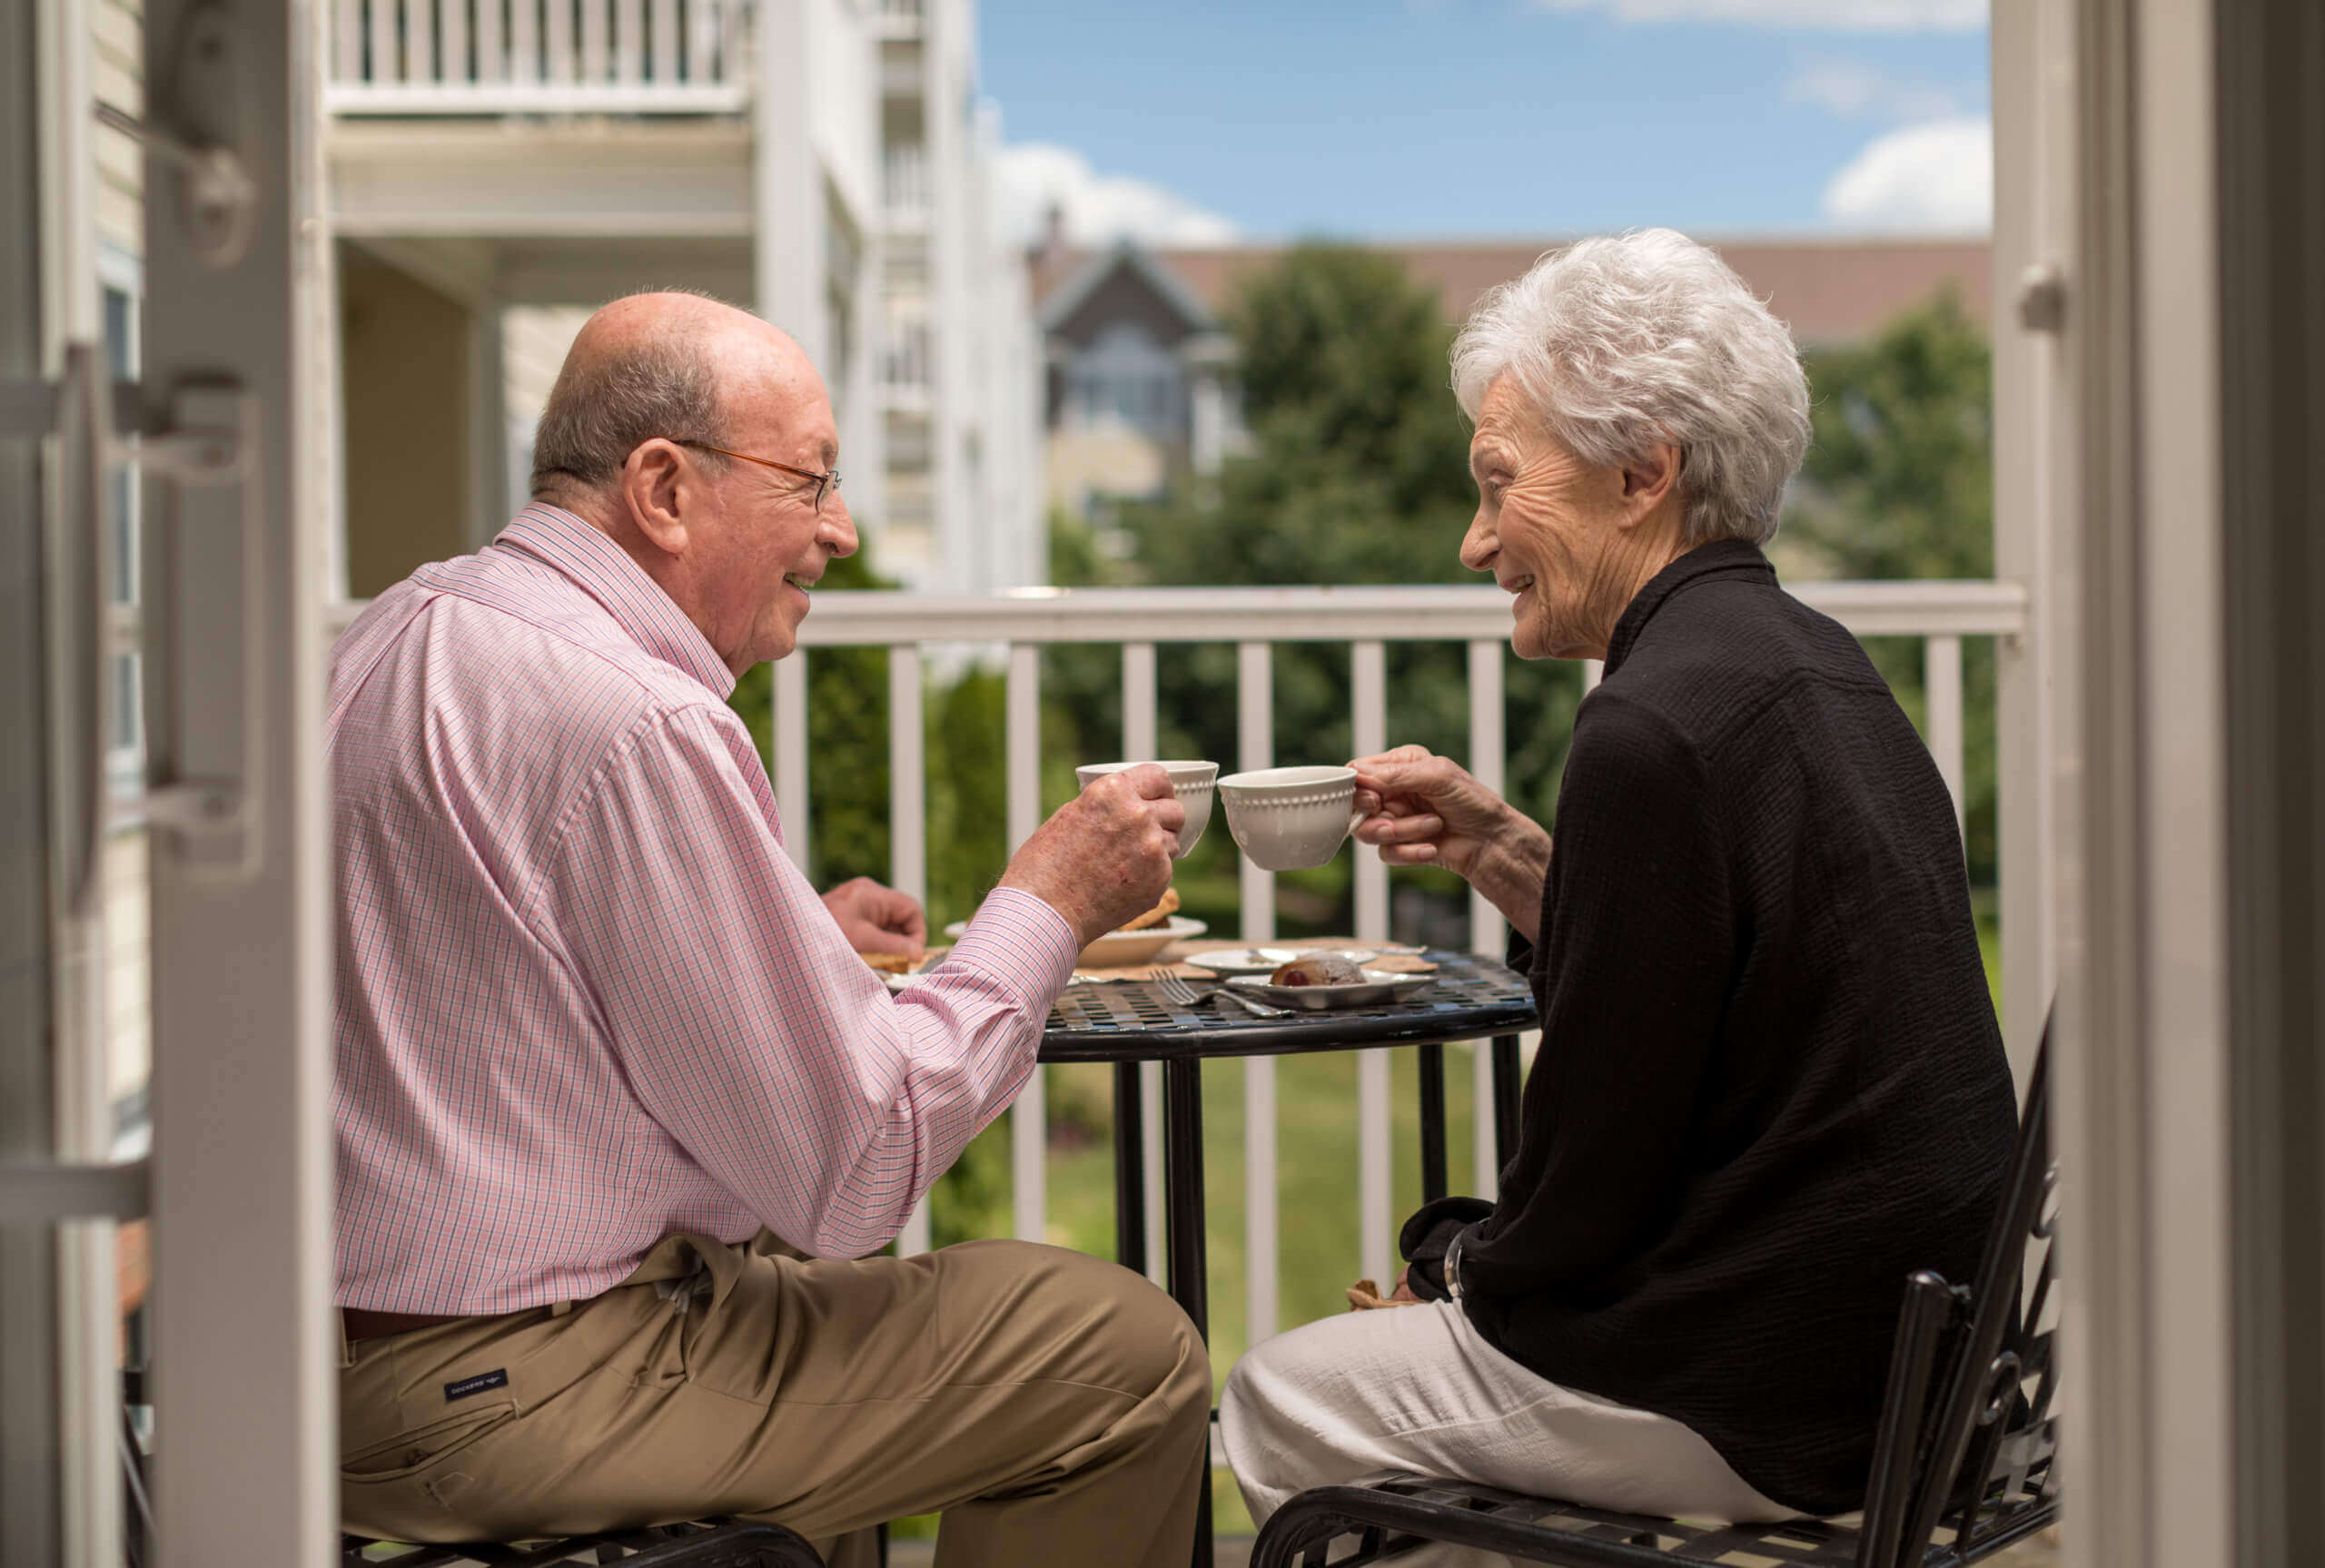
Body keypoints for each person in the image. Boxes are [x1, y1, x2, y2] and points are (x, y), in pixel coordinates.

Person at [329, 291, 1209, 1566]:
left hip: (332, 1355)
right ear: (664, 490)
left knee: (835, 1344)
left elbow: (482, 958)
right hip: (508, 1391)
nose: (841, 532)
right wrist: (1053, 902)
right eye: (809, 483)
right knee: (1113, 1351)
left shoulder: (405, 628)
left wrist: (789, 942)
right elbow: (856, 1169)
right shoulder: (637, 715)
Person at [1219, 230, 2018, 1553]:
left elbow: (1589, 1183)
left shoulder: (1652, 724)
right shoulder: (1818, 669)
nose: (1475, 543)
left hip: (1778, 1393)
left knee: (1275, 1401)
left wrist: (1465, 1283)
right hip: (1926, 1362)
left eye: (1497, 483)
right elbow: (1722, 974)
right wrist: (1507, 855)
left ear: (1643, 472)